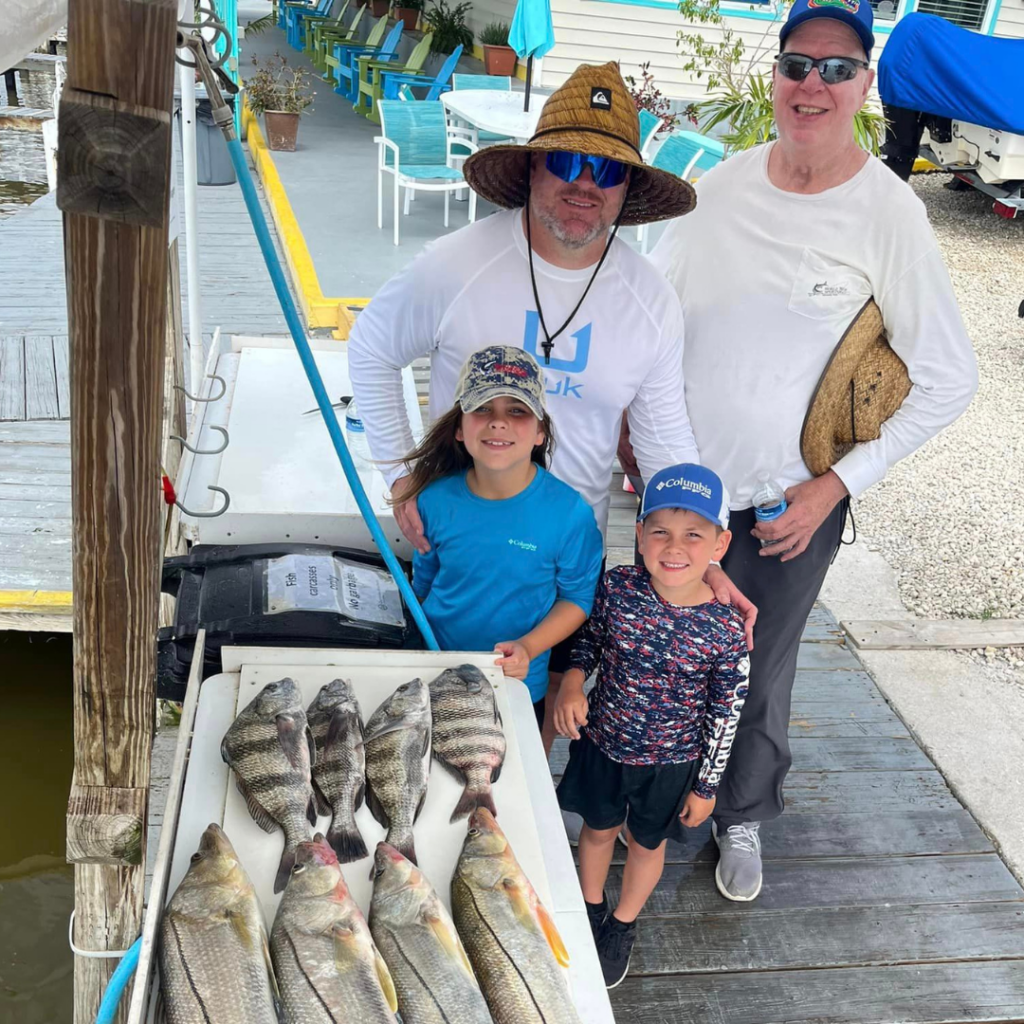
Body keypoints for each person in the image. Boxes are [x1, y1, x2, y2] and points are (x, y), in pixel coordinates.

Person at [638, 0, 978, 902]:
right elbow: (652, 313)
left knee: (752, 668)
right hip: (674, 496)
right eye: (797, 64)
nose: (812, 84)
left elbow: (951, 378)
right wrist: (636, 437)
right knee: (651, 651)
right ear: (777, 77)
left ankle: (742, 812)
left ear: (865, 85)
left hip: (784, 506)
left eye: (836, 68)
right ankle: (650, 804)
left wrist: (835, 486)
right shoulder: (720, 184)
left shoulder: (890, 212)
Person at [349, 60, 755, 755]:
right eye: (566, 161)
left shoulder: (650, 296)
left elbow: (663, 440)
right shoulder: (455, 262)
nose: (584, 186)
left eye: (608, 171)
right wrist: (398, 474)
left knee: (536, 722)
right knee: (427, 713)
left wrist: (703, 547)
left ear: (630, 189)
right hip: (455, 528)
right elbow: (371, 349)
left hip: (569, 548)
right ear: (533, 168)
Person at [553, 463, 749, 988]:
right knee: (596, 832)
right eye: (659, 530)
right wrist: (573, 680)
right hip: (602, 747)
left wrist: (707, 788)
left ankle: (621, 924)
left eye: (693, 534)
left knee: (646, 845)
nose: (674, 546)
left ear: (720, 544)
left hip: (670, 766)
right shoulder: (618, 586)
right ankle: (591, 908)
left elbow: (726, 714)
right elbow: (589, 641)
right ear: (638, 535)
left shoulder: (726, 630)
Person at [401, 345, 603, 721]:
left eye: (517, 411)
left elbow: (577, 599)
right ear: (459, 428)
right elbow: (424, 584)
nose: (498, 422)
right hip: (435, 666)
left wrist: (528, 647)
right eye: (482, 409)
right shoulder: (432, 500)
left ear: (540, 432)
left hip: (517, 680)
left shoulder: (570, 514)